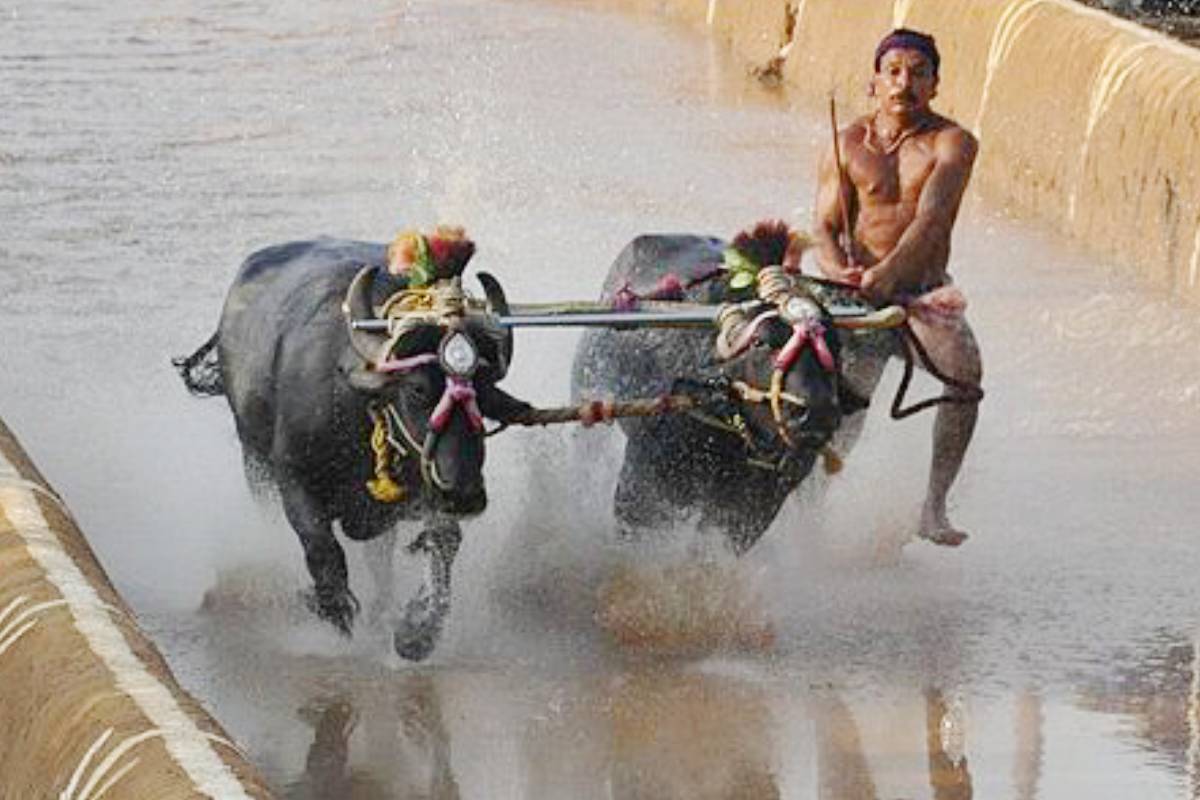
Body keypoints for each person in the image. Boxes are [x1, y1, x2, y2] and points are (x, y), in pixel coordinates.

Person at [812, 28, 982, 547]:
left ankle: (932, 507)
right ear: (874, 83)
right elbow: (821, 226)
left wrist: (886, 279)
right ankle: (805, 505)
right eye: (893, 72)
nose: (904, 83)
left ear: (935, 85)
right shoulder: (847, 142)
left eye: (918, 73)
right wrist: (837, 267)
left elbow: (931, 219)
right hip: (856, 296)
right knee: (845, 405)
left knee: (965, 376)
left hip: (920, 298)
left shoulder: (952, 142)